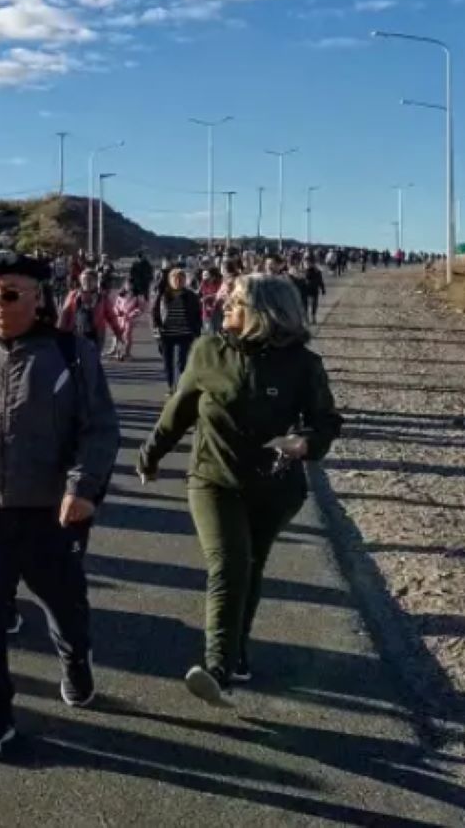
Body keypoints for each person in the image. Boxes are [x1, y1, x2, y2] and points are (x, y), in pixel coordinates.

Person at [0, 252, 119, 756]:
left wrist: (82, 487)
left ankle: (76, 662)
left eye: (9, 293)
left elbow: (98, 428)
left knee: (66, 606)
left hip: (51, 511)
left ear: (38, 298)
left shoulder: (71, 353)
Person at [138, 274, 342, 707]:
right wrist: (150, 455)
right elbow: (179, 411)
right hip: (213, 479)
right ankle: (218, 668)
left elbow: (326, 422)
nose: (223, 303)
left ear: (265, 311)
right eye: (226, 298)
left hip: (275, 486)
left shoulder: (303, 364)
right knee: (229, 564)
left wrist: (304, 442)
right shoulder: (208, 352)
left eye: (236, 300)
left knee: (250, 567)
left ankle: (237, 652)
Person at [152, 268, 203, 393]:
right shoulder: (163, 295)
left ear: (185, 280)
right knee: (167, 363)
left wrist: (196, 331)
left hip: (184, 333)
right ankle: (171, 387)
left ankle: (180, 388)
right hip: (166, 334)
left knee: (181, 362)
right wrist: (156, 328)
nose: (178, 281)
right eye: (175, 278)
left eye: (181, 278)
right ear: (170, 280)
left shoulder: (190, 296)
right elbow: (154, 313)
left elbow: (197, 314)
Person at [58, 270, 119, 351]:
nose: (88, 282)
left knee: (94, 357)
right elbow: (65, 313)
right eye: (85, 280)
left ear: (96, 282)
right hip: (76, 331)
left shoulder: (102, 298)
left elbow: (111, 316)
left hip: (96, 334)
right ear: (81, 281)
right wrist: (60, 331)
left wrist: (118, 331)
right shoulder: (74, 295)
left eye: (91, 280)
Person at [297, 257, 326, 322]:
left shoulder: (317, 271)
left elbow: (320, 281)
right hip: (304, 289)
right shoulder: (301, 271)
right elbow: (297, 281)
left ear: (312, 263)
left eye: (308, 263)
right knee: (304, 304)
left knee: (314, 304)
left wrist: (323, 289)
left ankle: (313, 316)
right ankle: (306, 317)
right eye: (305, 263)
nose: (307, 264)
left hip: (314, 289)